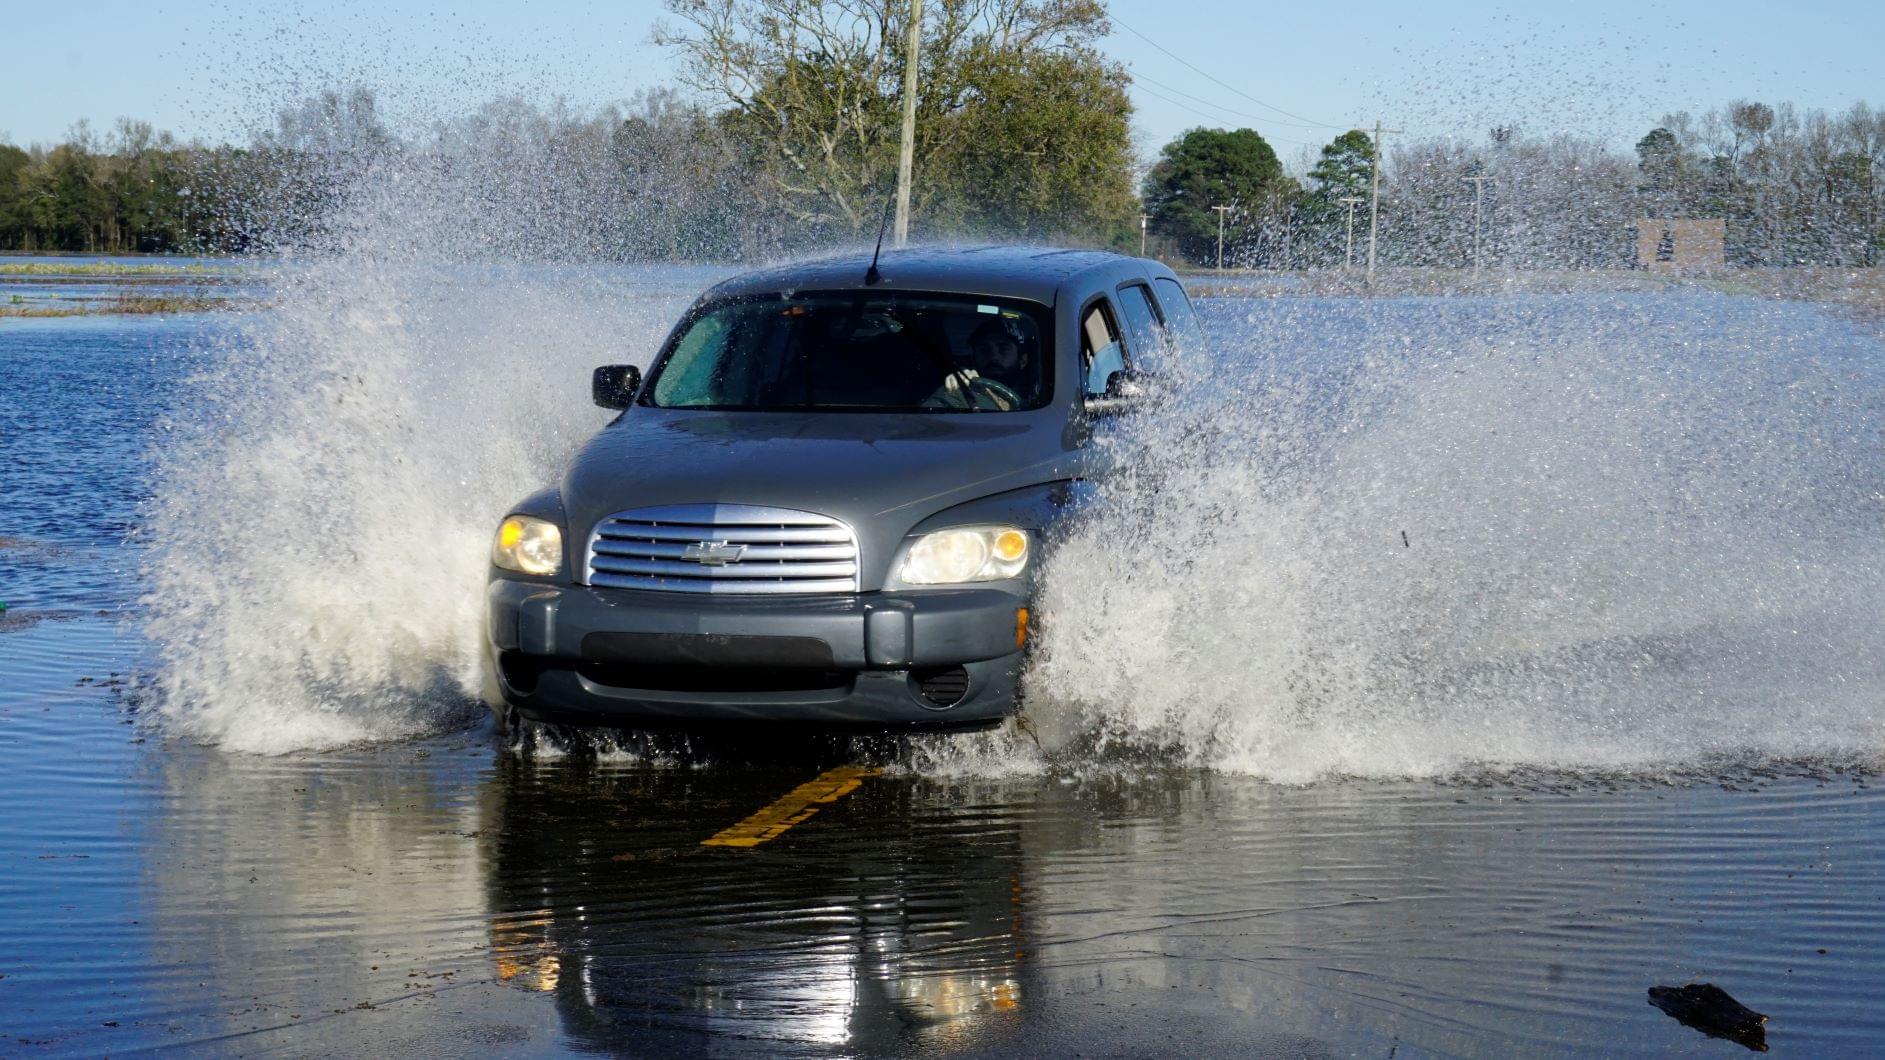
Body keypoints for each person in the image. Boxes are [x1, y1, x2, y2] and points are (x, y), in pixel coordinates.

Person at [928, 317, 1034, 410]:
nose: (994, 357)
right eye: (984, 349)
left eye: (1003, 349)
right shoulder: (964, 394)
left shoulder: (1040, 400)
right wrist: (960, 383)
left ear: (1022, 360)